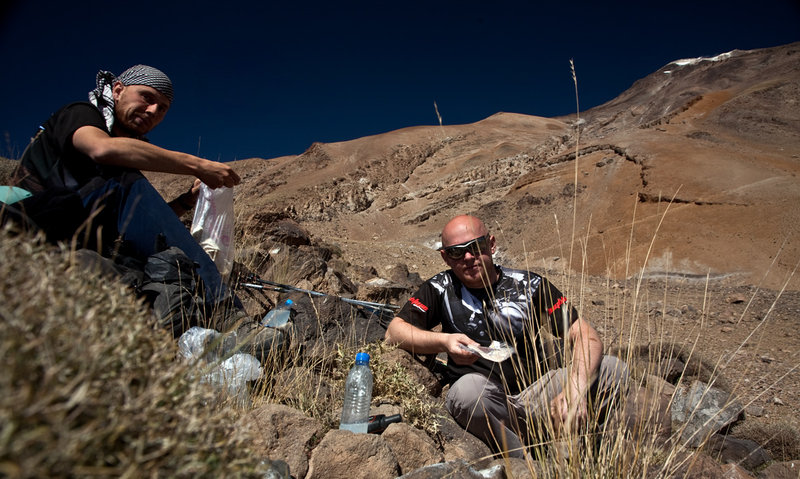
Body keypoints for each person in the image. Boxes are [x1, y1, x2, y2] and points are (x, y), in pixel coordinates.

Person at [11, 65, 272, 353]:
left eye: (162, 109)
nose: (152, 111)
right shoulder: (81, 114)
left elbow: (137, 221)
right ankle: (228, 316)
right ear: (118, 89)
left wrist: (187, 200)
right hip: (31, 218)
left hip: (80, 230)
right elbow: (102, 149)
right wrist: (198, 164)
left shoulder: (115, 180)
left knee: (160, 264)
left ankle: (196, 339)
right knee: (124, 179)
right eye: (146, 98)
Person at [385, 215, 628, 458]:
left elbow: (585, 334)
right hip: (487, 404)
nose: (469, 257)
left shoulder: (529, 284)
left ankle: (579, 446)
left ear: (491, 244)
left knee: (612, 369)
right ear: (446, 257)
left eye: (476, 247)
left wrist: (575, 390)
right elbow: (394, 331)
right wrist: (444, 341)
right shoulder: (439, 288)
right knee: (467, 392)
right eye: (457, 253)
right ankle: (527, 463)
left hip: (537, 395)